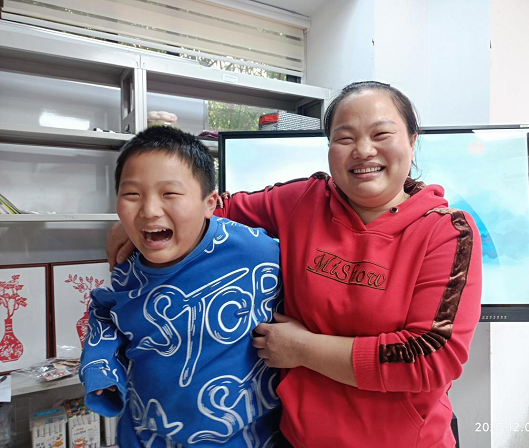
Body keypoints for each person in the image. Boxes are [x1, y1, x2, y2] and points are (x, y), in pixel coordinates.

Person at [107, 81, 483, 447]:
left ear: (413, 141)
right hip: (297, 437)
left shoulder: (447, 231)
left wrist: (303, 349)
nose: (363, 150)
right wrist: (144, 214)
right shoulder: (304, 200)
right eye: (345, 138)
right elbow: (212, 208)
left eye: (381, 134)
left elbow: (431, 357)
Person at [81, 126, 283, 448]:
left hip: (245, 438)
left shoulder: (257, 253)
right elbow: (105, 310)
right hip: (145, 434)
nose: (149, 211)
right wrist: (100, 367)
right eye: (132, 195)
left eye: (170, 194)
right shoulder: (127, 265)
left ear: (210, 203)